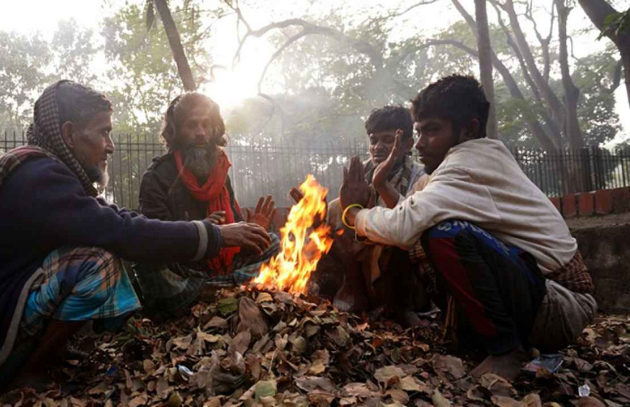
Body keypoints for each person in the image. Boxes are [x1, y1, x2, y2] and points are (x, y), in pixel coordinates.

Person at [0, 80, 270, 389]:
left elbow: (115, 218)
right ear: (69, 133)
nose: (110, 146)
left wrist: (227, 232)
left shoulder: (51, 173)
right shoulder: (39, 178)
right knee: (100, 262)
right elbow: (122, 231)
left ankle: (40, 358)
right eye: (104, 133)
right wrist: (215, 235)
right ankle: (26, 373)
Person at [339, 74, 596, 380]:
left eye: (432, 130)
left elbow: (403, 225)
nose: (420, 143)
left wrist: (353, 213)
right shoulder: (468, 161)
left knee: (445, 235)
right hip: (540, 296)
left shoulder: (465, 166)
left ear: (469, 129)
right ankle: (491, 341)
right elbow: (412, 213)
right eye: (419, 132)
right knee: (429, 233)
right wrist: (379, 188)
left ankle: (507, 352)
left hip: (560, 305)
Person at [135, 92, 280, 314]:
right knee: (147, 262)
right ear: (176, 132)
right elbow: (156, 239)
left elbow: (235, 232)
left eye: (206, 125)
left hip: (223, 270)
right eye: (192, 125)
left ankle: (216, 290)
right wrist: (203, 231)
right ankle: (233, 289)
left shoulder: (222, 172)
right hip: (185, 272)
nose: (201, 133)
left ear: (215, 130)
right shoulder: (157, 177)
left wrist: (254, 231)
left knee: (272, 243)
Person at [290, 106, 428, 318]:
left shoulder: (420, 177)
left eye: (388, 140)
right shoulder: (361, 172)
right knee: (320, 231)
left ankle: (397, 309)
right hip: (360, 261)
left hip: (402, 269)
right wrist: (316, 216)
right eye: (374, 141)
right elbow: (341, 212)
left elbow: (406, 223)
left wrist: (358, 211)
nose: (378, 147)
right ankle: (340, 294)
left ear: (408, 145)